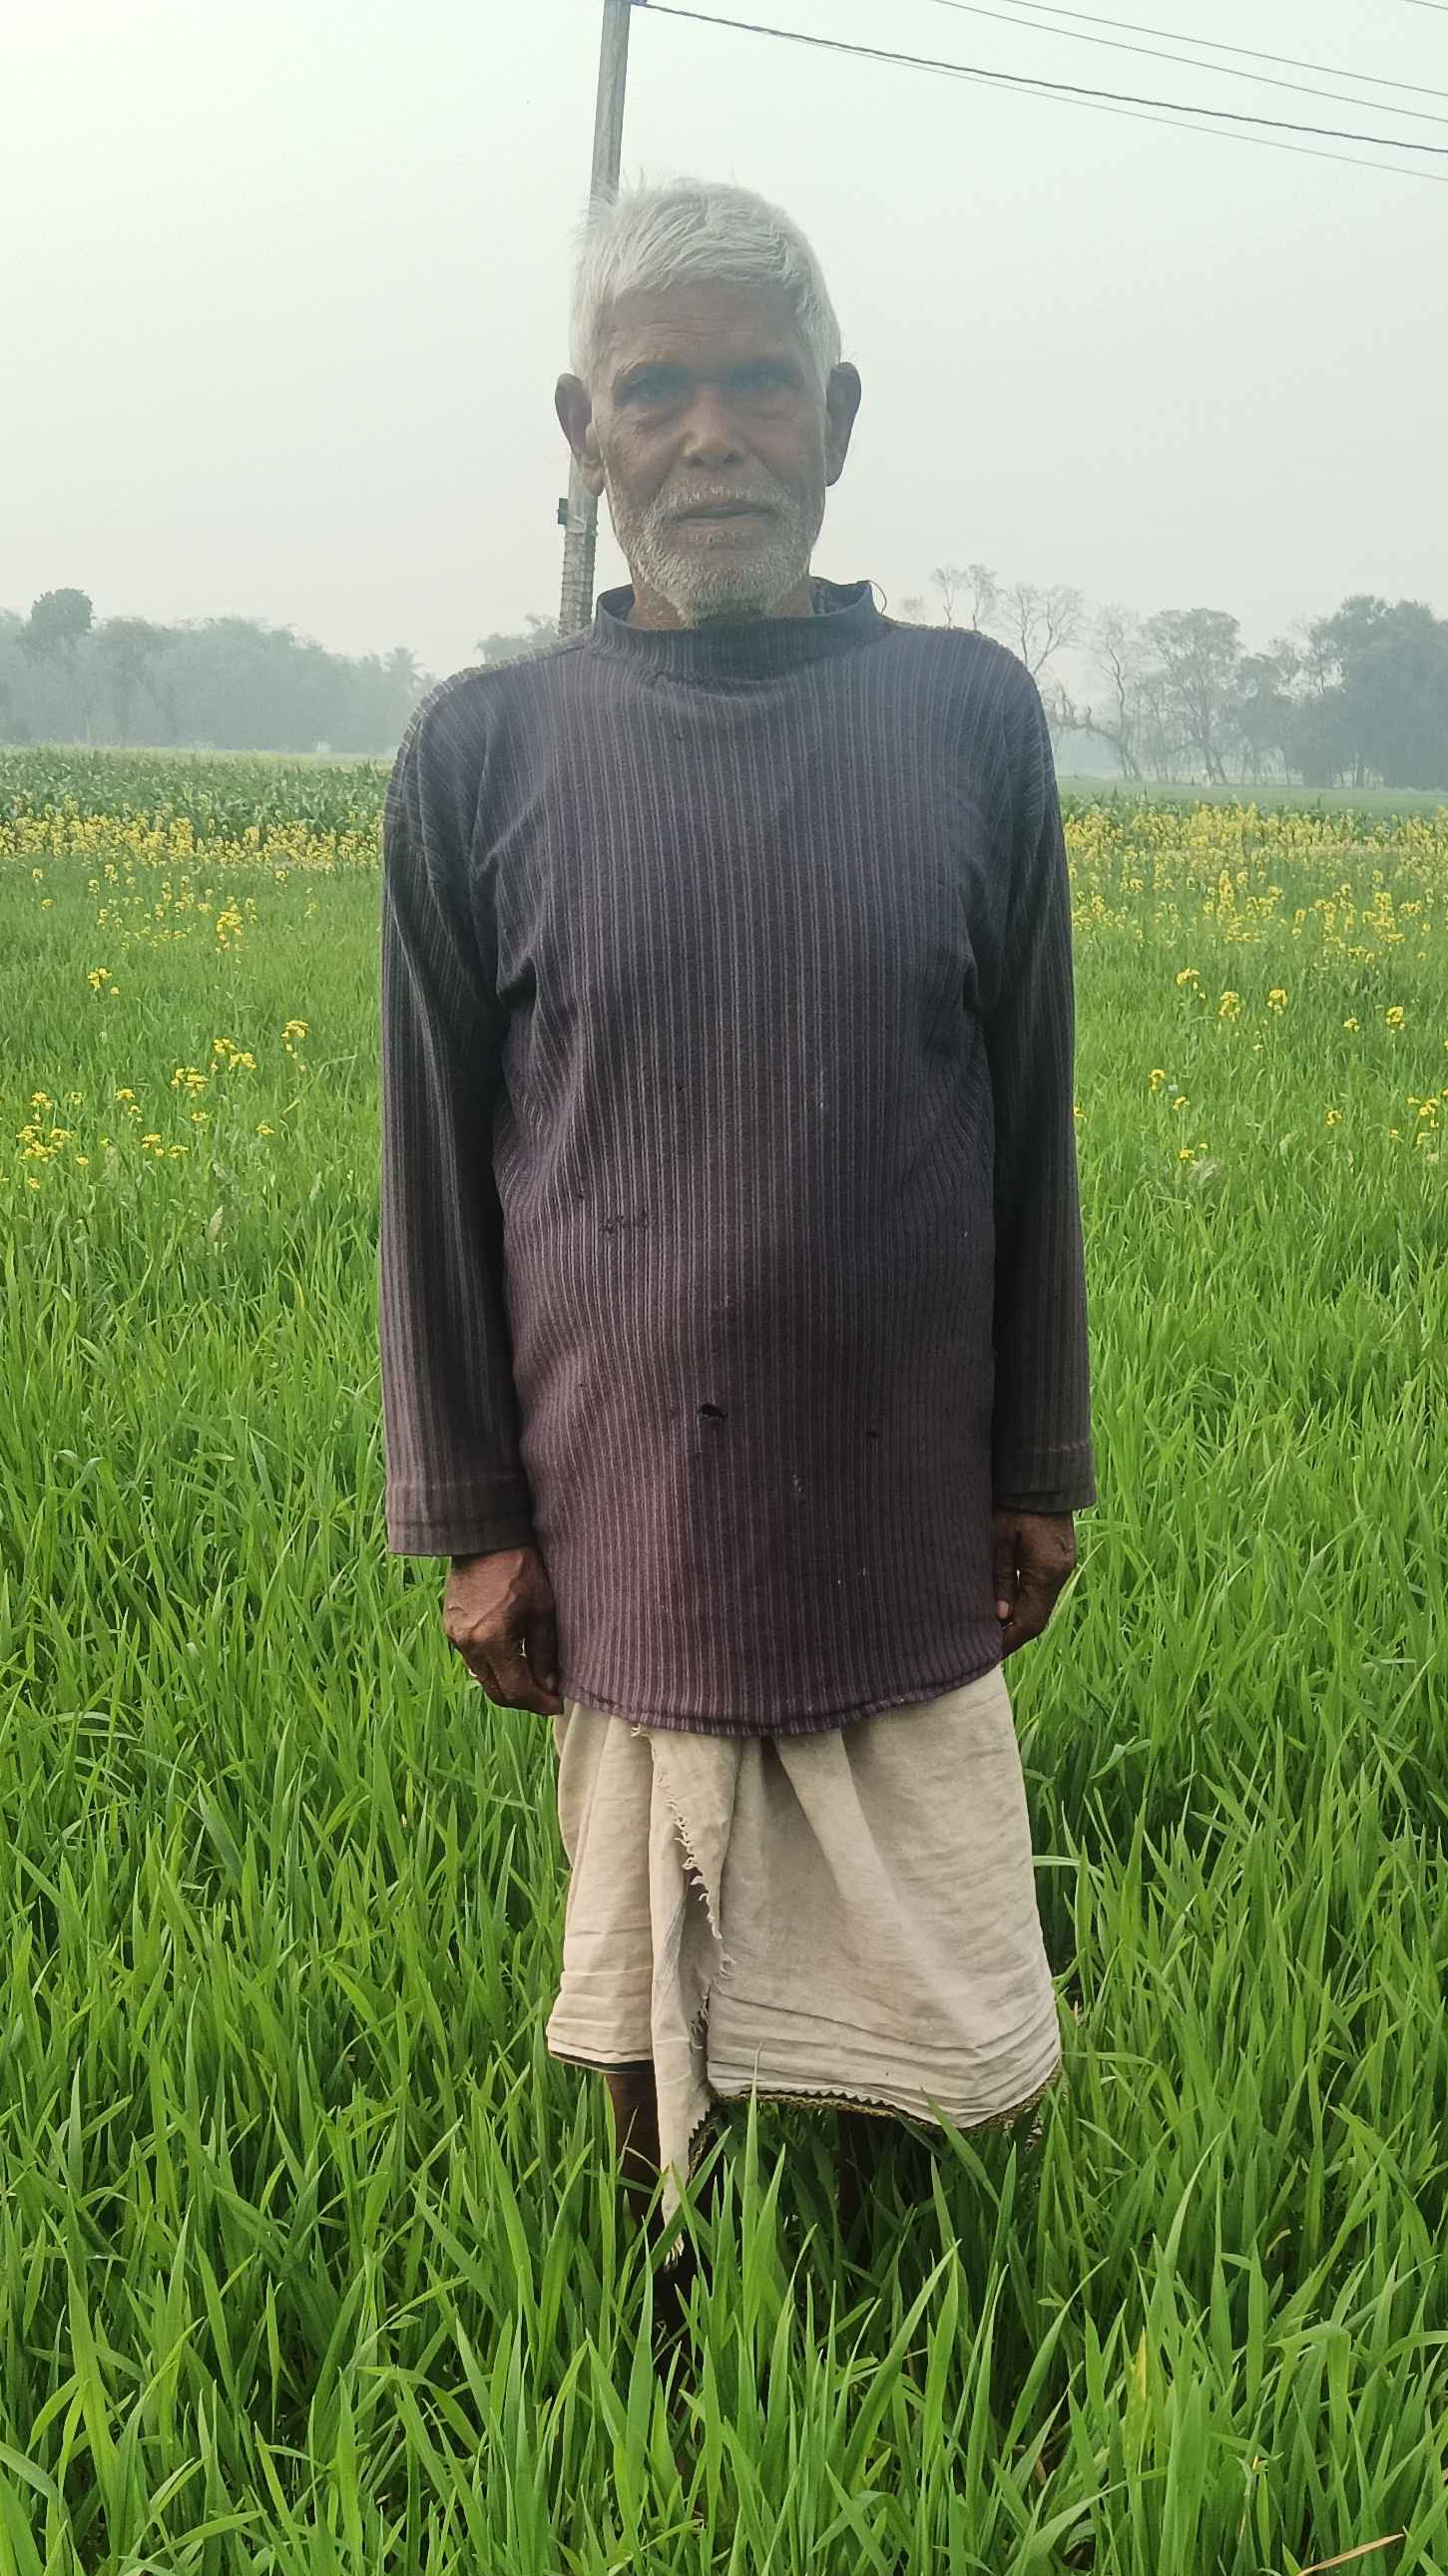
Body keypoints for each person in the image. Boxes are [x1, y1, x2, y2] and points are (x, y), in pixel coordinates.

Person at [377, 177, 1092, 2236]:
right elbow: (437, 1173)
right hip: (625, 1487)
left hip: (900, 1473)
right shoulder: (481, 754)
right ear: (583, 433)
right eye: (655, 392)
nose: (711, 438)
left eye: (761, 385)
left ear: (838, 420)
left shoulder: (968, 720)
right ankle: (668, 2320)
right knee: (647, 1962)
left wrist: (1038, 1461)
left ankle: (927, 2298)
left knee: (930, 1960)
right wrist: (477, 1522)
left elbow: (1028, 1118)